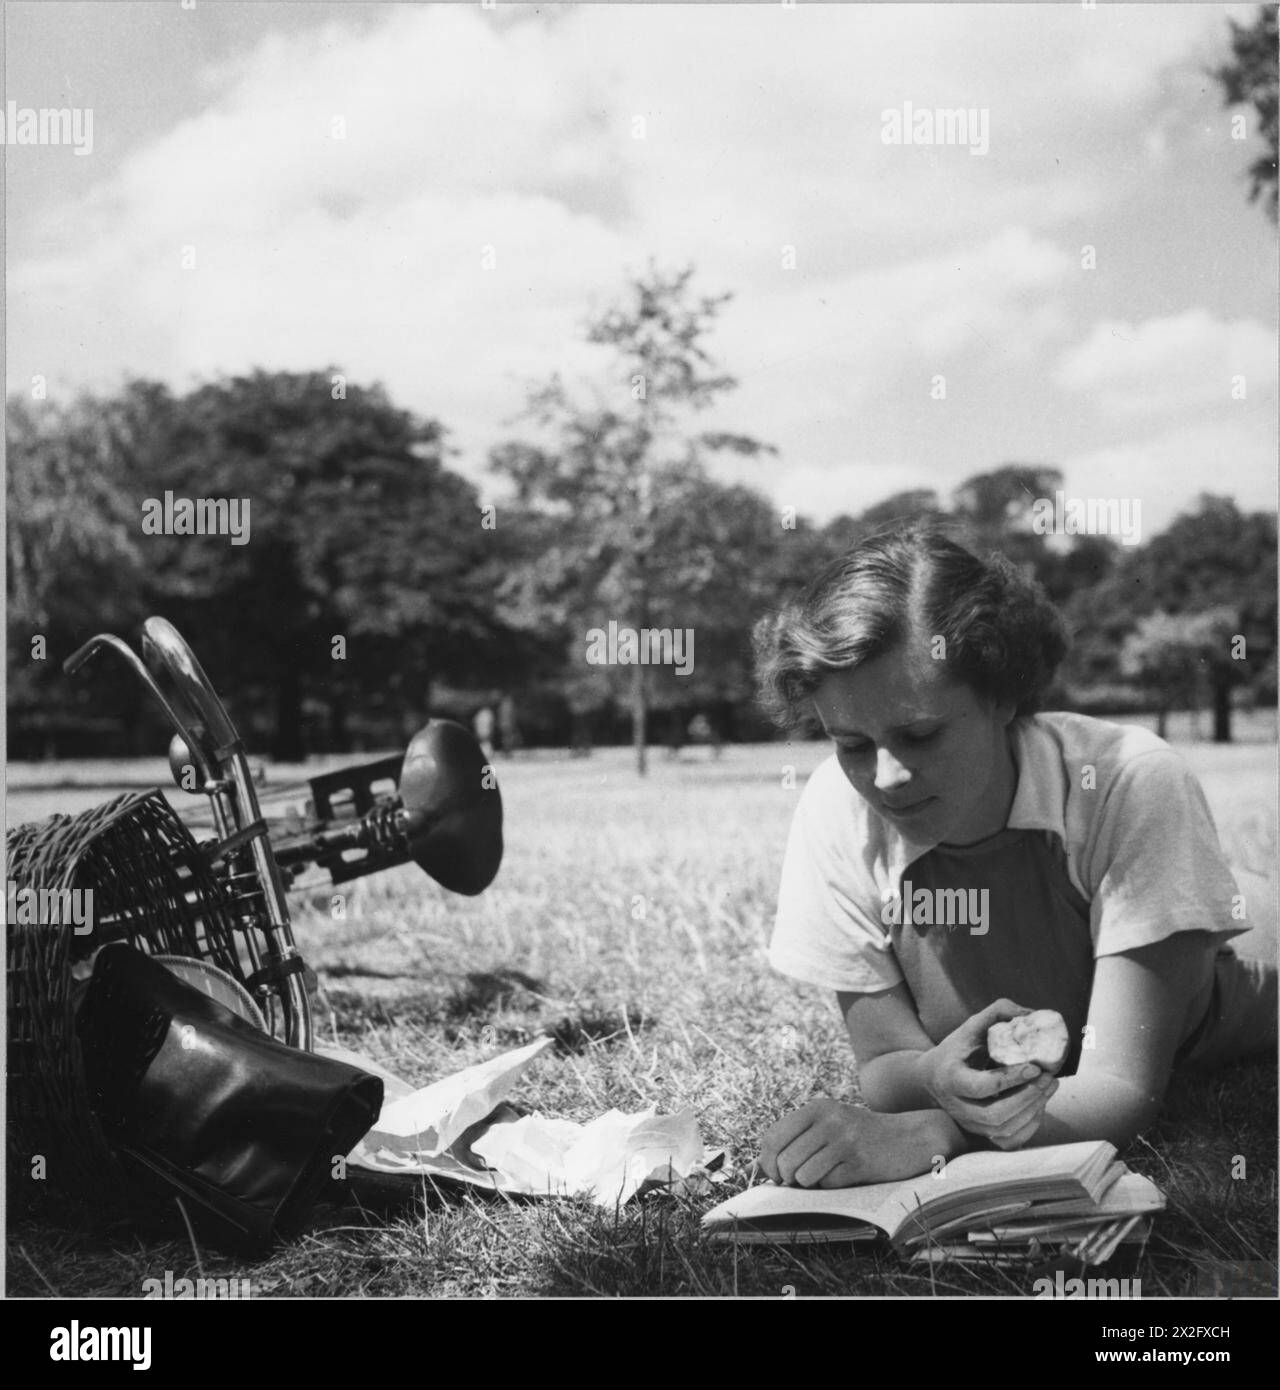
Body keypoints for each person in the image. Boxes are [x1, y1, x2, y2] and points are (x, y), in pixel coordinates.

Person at [750, 526, 1276, 1190]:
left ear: (1000, 693)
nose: (885, 776)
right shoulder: (835, 808)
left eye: (920, 734)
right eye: (851, 743)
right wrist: (932, 1076)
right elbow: (887, 1065)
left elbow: (1120, 1085)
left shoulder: (1129, 782)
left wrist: (941, 1131)